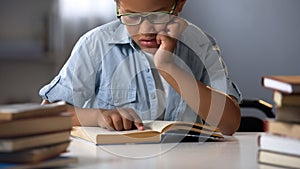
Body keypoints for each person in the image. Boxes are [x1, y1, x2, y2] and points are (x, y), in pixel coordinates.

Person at [39, 0, 242, 135]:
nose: (145, 30)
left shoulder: (201, 45)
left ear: (179, 4)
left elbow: (229, 124)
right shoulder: (96, 44)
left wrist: (168, 67)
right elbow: (49, 114)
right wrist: (96, 116)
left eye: (158, 16)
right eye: (132, 16)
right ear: (117, 5)